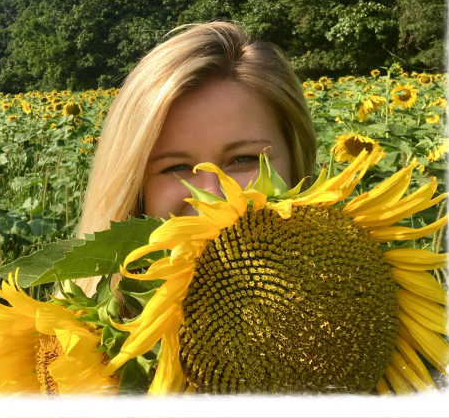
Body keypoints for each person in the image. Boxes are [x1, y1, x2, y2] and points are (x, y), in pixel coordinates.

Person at [75, 21, 317, 296]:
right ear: (134, 190)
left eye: (243, 159)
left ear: (297, 162)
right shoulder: (82, 335)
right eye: (176, 167)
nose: (213, 196)